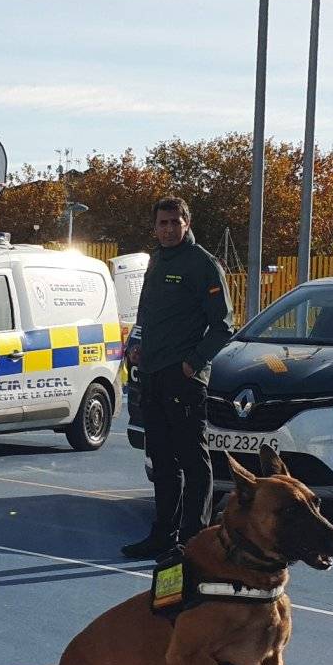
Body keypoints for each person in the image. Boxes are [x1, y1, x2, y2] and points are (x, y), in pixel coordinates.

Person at [121, 195, 232, 559]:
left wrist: (193, 363)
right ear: (154, 227)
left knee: (192, 459)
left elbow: (223, 326)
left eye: (174, 222)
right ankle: (163, 534)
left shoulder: (202, 264)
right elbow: (148, 317)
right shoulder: (156, 261)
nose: (168, 229)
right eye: (162, 223)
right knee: (162, 459)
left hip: (183, 379)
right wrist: (137, 348)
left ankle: (193, 539)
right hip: (152, 374)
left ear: (186, 223)